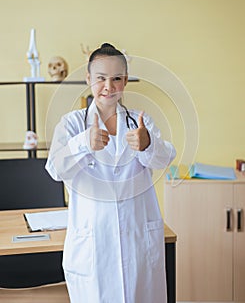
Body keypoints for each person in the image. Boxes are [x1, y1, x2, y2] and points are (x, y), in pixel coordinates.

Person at [45, 43, 176, 303]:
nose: (108, 86)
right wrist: (83, 143)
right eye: (100, 78)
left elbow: (164, 159)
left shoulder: (141, 122)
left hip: (138, 243)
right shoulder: (72, 124)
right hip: (93, 248)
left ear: (125, 81)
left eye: (116, 79)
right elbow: (55, 169)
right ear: (88, 79)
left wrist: (147, 143)